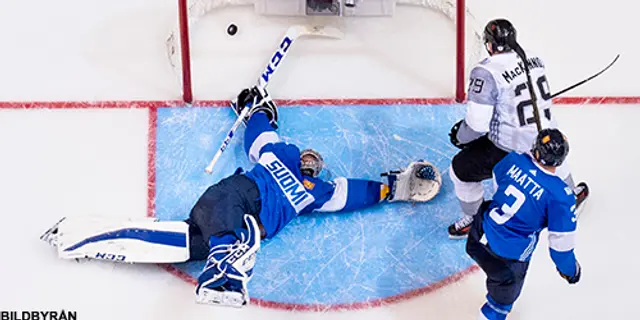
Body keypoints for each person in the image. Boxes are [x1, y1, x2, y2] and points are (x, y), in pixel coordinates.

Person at [40, 85, 443, 308]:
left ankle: (76, 236)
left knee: (169, 243)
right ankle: (224, 276)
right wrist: (256, 108)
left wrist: (394, 188)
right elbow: (261, 130)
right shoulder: (277, 155)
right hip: (233, 200)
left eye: (315, 162)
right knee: (245, 234)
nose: (310, 160)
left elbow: (354, 193)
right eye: (307, 155)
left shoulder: (317, 194)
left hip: (221, 224)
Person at [446, 18, 589, 239]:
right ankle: (569, 196)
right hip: (547, 137)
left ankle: (475, 221)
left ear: (490, 45)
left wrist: (460, 136)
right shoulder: (535, 58)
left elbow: (477, 125)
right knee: (551, 149)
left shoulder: (486, 71)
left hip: (511, 147)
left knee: (460, 171)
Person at [466, 128, 581, 320]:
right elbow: (560, 249)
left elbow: (498, 183)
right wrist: (571, 271)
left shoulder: (513, 160)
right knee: (497, 308)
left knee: (489, 207)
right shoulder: (560, 196)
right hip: (506, 260)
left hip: (477, 237)